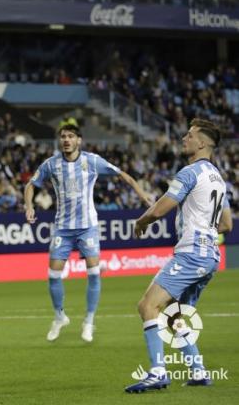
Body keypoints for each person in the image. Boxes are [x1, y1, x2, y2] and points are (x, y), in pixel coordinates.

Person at [125, 119, 233, 393]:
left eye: (189, 135)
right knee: (175, 315)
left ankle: (157, 372)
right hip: (211, 257)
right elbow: (227, 225)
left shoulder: (189, 172)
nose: (184, 138)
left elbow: (161, 209)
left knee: (147, 307)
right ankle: (198, 371)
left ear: (202, 143)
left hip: (191, 254)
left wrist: (141, 222)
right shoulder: (219, 180)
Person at [24, 124, 152, 343]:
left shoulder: (92, 161)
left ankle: (89, 321)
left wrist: (145, 199)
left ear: (79, 140)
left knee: (93, 272)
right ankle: (59, 317)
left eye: (70, 136)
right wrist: (29, 206)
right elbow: (30, 184)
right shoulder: (51, 164)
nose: (66, 140)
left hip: (87, 226)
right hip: (62, 228)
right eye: (63, 136)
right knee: (53, 275)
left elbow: (125, 176)